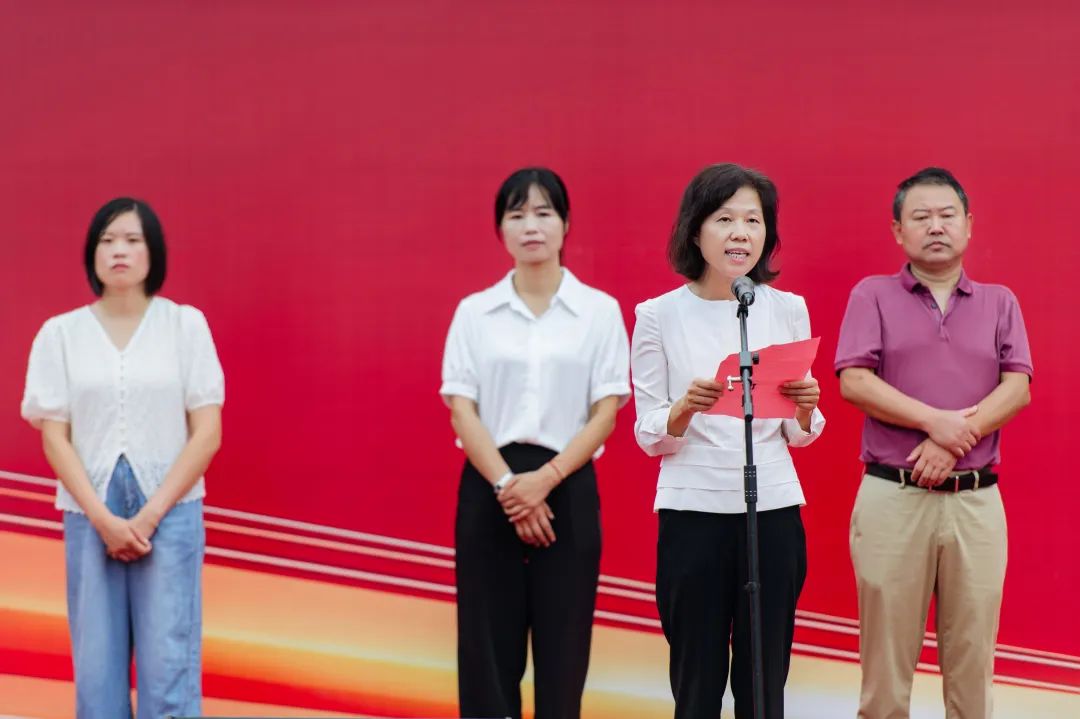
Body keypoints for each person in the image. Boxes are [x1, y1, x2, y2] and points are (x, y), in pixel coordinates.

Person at [630, 163, 824, 719]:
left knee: (765, 680)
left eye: (753, 220)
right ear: (696, 231)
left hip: (773, 511)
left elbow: (799, 432)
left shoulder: (787, 308)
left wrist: (806, 406)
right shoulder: (657, 315)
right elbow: (648, 432)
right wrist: (682, 409)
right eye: (724, 219)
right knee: (697, 679)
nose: (740, 233)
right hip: (694, 512)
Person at [836, 167, 1032, 718]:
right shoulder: (872, 295)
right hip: (893, 497)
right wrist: (933, 422)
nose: (936, 226)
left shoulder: (1000, 302)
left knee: (973, 665)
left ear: (969, 224)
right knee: (885, 668)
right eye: (920, 217)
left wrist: (951, 442)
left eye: (947, 215)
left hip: (975, 501)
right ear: (898, 231)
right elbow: (854, 380)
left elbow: (1017, 388)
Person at [21, 198, 224, 719]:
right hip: (90, 513)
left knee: (169, 665)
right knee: (97, 672)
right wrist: (103, 519)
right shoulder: (60, 334)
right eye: (107, 240)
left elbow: (207, 433)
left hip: (171, 511)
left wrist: (152, 514)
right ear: (92, 253)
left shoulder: (185, 326)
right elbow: (54, 437)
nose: (119, 251)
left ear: (153, 252)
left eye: (132, 240)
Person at [440, 167, 630, 719]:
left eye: (544, 213)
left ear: (565, 224)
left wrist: (545, 480)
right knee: (485, 649)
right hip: (490, 486)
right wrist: (509, 486)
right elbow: (461, 408)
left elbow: (606, 411)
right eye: (517, 214)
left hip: (566, 484)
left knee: (563, 649)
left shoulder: (598, 311)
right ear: (500, 229)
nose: (531, 226)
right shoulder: (475, 312)